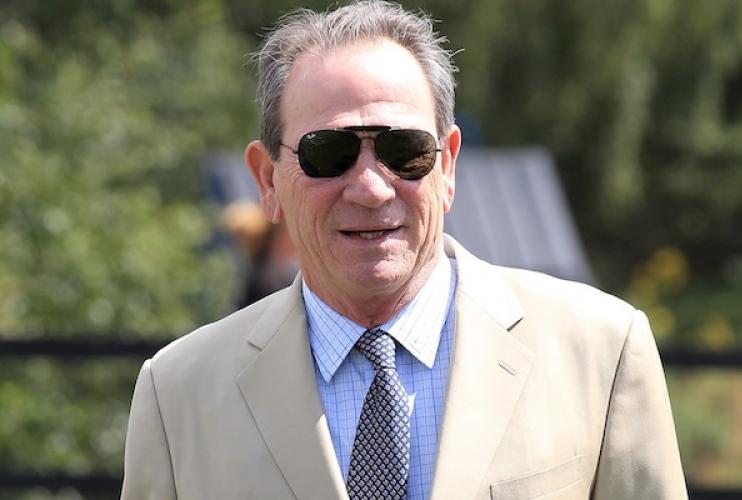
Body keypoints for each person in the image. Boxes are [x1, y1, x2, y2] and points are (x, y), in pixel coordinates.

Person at [120, 1, 688, 499]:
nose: (371, 186)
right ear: (267, 181)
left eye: (405, 149)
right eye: (329, 152)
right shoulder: (179, 395)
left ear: (446, 166)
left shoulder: (601, 351)